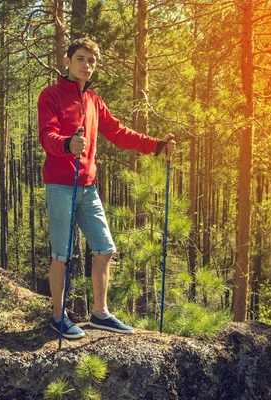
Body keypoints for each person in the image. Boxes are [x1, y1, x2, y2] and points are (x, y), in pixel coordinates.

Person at [38, 38, 176, 339]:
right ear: (68, 59)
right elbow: (46, 135)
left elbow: (118, 132)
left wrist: (156, 146)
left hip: (87, 187)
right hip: (60, 186)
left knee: (105, 249)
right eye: (81, 59)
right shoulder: (50, 95)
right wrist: (66, 144)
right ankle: (57, 316)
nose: (86, 65)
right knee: (61, 254)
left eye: (91, 61)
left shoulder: (94, 101)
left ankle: (100, 314)